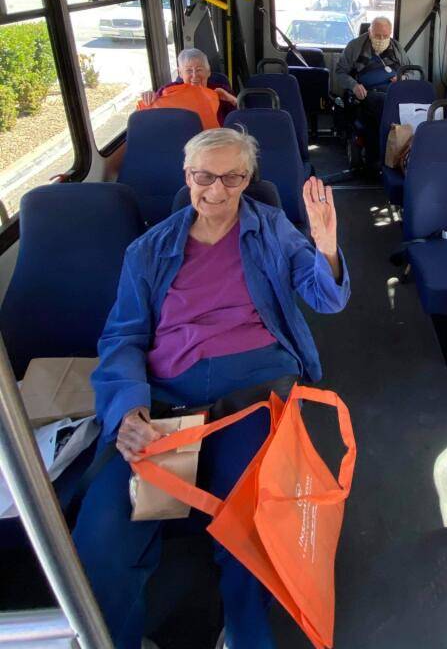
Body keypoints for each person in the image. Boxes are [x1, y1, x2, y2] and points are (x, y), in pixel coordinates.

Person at [73, 128, 349, 649]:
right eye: (204, 176)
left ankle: (245, 632)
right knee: (107, 532)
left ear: (247, 179)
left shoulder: (272, 230)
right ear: (187, 176)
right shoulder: (149, 250)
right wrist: (129, 411)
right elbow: (123, 338)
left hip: (252, 394)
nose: (217, 190)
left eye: (232, 177)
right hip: (167, 402)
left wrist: (326, 247)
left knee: (254, 521)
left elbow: (325, 298)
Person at [335, 16, 411, 167]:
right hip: (368, 93)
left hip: (395, 91)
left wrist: (404, 77)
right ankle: (379, 158)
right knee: (382, 104)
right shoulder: (355, 46)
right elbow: (340, 73)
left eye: (385, 36)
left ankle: (407, 154)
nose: (381, 39)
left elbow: (410, 70)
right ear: (369, 32)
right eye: (377, 35)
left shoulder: (396, 48)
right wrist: (354, 85)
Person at [140, 48, 237, 124]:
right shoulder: (168, 91)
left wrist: (232, 100)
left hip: (214, 140)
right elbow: (153, 118)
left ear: (208, 72)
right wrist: (149, 98)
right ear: (180, 73)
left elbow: (240, 119)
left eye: (199, 70)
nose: (194, 75)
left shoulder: (221, 90)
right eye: (189, 70)